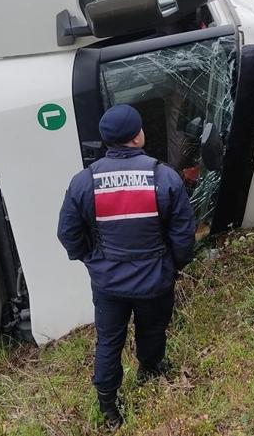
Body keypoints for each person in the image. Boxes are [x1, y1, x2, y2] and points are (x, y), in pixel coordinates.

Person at [57, 104, 196, 430]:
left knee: (109, 340)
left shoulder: (83, 182)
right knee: (152, 328)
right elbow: (183, 236)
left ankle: (108, 404)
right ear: (137, 137)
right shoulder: (164, 178)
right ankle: (150, 369)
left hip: (108, 284)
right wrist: (173, 265)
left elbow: (68, 234)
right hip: (155, 280)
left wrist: (92, 260)